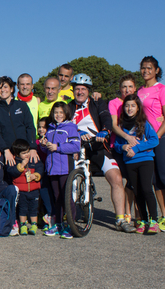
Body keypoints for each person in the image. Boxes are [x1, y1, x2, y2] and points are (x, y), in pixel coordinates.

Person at [70, 73, 127, 228]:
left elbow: (106, 118)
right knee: (68, 179)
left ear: (89, 90)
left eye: (83, 89)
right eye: (77, 89)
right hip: (77, 148)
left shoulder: (97, 103)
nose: (80, 92)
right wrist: (76, 132)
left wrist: (105, 130)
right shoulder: (68, 107)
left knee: (116, 178)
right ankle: (68, 214)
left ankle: (120, 219)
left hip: (98, 146)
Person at [137, 55, 165, 231]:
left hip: (162, 138)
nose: (146, 71)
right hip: (146, 140)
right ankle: (164, 216)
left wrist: (157, 137)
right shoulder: (139, 91)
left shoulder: (162, 89)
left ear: (157, 70)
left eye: (149, 68)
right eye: (143, 68)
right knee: (154, 180)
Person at [114, 95, 160, 234]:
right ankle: (143, 220)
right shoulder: (121, 125)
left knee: (146, 189)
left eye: (133, 105)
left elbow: (154, 140)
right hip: (129, 162)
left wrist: (136, 148)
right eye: (127, 106)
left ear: (138, 107)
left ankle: (154, 220)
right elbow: (116, 144)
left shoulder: (144, 123)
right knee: (137, 191)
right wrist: (122, 148)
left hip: (145, 160)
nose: (129, 108)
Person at [39, 102, 80, 239]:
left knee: (66, 197)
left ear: (66, 113)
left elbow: (75, 146)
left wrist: (58, 147)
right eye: (56, 112)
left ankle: (71, 225)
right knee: (56, 198)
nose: (58, 115)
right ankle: (58, 224)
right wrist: (44, 145)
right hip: (52, 168)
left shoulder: (71, 127)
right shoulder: (50, 129)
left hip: (65, 168)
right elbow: (47, 149)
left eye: (61, 113)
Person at [108, 74, 139, 227]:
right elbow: (113, 125)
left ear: (135, 88)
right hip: (118, 146)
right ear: (120, 89)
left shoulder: (136, 102)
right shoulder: (114, 103)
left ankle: (138, 214)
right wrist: (127, 137)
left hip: (136, 146)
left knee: (134, 182)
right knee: (122, 180)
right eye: (124, 87)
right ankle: (126, 212)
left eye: (130, 86)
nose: (127, 89)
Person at [0, 76, 38, 167]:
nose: (3, 90)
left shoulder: (22, 106)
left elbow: (30, 127)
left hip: (25, 151)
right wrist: (5, 149)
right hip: (7, 153)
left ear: (11, 89)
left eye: (5, 87)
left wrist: (33, 148)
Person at [8, 139, 44, 236]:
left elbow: (40, 167)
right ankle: (23, 224)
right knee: (22, 208)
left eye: (27, 152)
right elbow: (12, 172)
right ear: (17, 154)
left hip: (34, 189)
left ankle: (34, 224)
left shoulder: (33, 158)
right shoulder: (14, 161)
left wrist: (36, 175)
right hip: (21, 190)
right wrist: (22, 165)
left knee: (33, 208)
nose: (27, 154)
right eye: (24, 153)